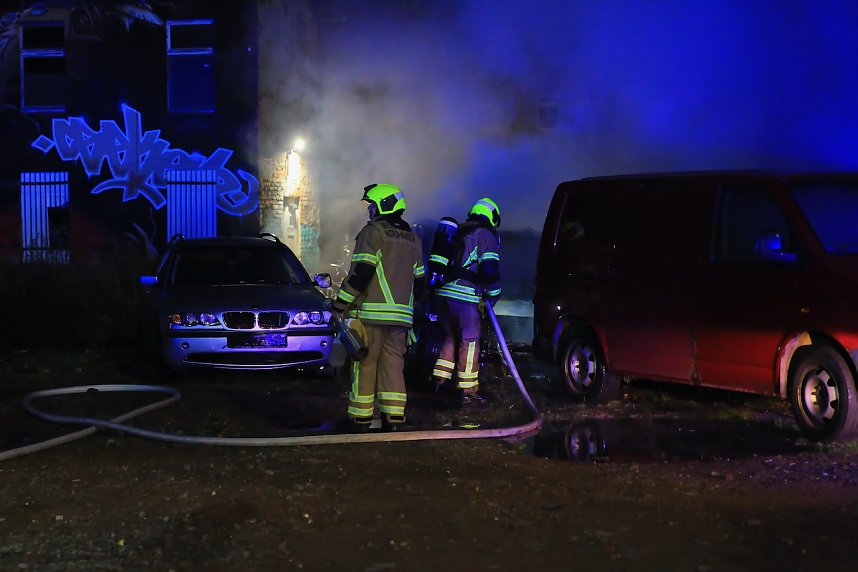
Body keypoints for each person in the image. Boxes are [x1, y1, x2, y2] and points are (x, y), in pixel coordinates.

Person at [332, 183, 425, 431]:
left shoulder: (373, 233)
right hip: (401, 318)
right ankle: (393, 417)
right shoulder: (414, 240)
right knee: (393, 365)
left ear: (384, 204)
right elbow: (421, 283)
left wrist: (341, 303)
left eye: (372, 205)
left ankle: (362, 418)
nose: (370, 210)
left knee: (366, 363)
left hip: (372, 313)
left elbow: (361, 273)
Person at [431, 197, 502, 407]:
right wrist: (493, 294)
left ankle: (438, 381)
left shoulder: (459, 231)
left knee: (450, 338)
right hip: (465, 296)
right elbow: (489, 269)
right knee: (470, 342)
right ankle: (468, 390)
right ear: (491, 216)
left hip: (444, 294)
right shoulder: (485, 235)